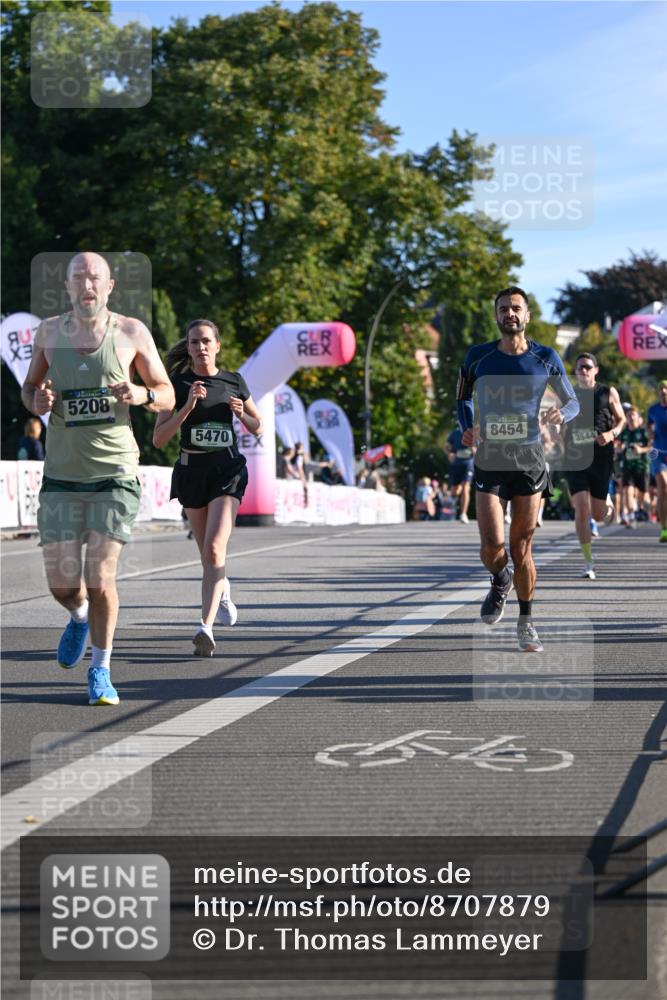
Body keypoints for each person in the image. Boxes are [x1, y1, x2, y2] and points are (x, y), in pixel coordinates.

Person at [20, 251, 174, 705]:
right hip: (63, 475)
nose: (87, 284)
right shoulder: (48, 333)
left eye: (95, 277)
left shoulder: (131, 332)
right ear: (67, 287)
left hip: (115, 473)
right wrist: (38, 401)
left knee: (101, 574)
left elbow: (166, 394)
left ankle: (101, 670)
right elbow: (29, 389)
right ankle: (79, 616)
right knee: (64, 585)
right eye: (78, 277)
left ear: (109, 287)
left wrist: (142, 392)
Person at [457, 286, 579, 652]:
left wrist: (563, 412)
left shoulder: (546, 357)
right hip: (490, 458)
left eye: (516, 308)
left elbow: (573, 400)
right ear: (496, 316)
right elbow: (462, 398)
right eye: (503, 309)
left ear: (527, 315)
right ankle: (500, 579)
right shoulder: (478, 358)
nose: (509, 314)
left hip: (528, 459)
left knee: (521, 545)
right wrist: (466, 427)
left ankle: (526, 622)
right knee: (492, 546)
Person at [153, 318, 262, 656]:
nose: (200, 347)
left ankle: (206, 628)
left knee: (215, 550)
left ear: (217, 346)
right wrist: (187, 407)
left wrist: (243, 414)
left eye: (205, 341)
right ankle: (223, 590)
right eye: (194, 342)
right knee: (207, 557)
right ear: (187, 347)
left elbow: (258, 426)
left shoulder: (234, 381)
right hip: (191, 471)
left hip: (226, 470)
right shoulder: (177, 383)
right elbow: (159, 439)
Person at [563, 353, 625, 579]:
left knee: (598, 516)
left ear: (596, 370)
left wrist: (611, 433)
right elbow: (561, 422)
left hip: (601, 456)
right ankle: (588, 562)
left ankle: (607, 504)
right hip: (575, 456)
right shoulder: (568, 395)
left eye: (588, 367)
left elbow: (622, 420)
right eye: (579, 367)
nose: (583, 371)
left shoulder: (607, 392)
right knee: (581, 507)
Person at [618, 407, 651, 528]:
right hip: (628, 466)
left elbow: (651, 446)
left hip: (641, 467)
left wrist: (641, 450)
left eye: (633, 415)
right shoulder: (624, 432)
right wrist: (619, 448)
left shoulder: (643, 432)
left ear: (638, 418)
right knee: (627, 490)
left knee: (643, 494)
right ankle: (631, 515)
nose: (631, 417)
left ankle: (641, 510)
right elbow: (619, 445)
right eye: (629, 415)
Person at [647, 379, 667, 543]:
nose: (664, 391)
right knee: (663, 486)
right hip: (658, 453)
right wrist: (650, 434)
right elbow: (649, 426)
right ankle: (664, 529)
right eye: (661, 389)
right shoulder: (653, 409)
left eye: (666, 388)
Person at [445, 427, 474, 523]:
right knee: (455, 491)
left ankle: (463, 514)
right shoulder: (455, 432)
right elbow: (446, 445)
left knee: (466, 488)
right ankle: (453, 506)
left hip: (468, 463)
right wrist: (449, 453)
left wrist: (476, 450)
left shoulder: (474, 432)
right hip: (456, 463)